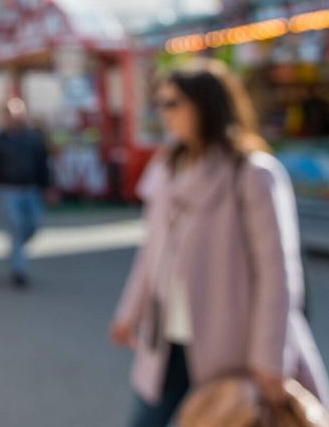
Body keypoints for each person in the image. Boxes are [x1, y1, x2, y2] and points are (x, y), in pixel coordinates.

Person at [110, 61, 327, 426]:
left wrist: (269, 359)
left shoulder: (253, 173)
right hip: (168, 340)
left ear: (205, 106)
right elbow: (152, 253)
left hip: (233, 348)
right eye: (160, 103)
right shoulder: (168, 168)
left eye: (173, 103)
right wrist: (129, 313)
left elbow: (277, 273)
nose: (164, 114)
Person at [0, 97, 52, 288]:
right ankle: (18, 270)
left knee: (33, 225)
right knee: (15, 226)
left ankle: (16, 251)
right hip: (7, 190)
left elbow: (42, 163)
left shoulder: (32, 138)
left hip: (30, 189)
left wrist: (46, 186)